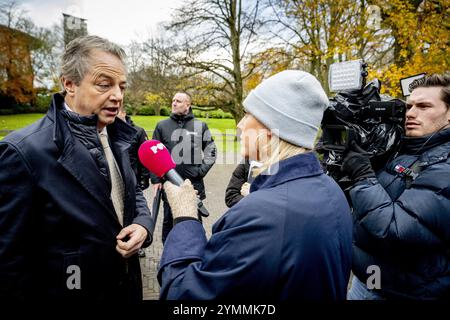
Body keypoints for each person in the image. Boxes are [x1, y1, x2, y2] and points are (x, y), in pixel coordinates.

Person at [157, 70, 353, 300]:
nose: (240, 124)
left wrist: (186, 219)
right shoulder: (332, 190)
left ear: (270, 132)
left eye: (248, 114)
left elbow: (183, 296)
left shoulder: (259, 215)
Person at [0, 35, 153, 301]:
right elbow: (9, 263)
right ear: (69, 84)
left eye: (122, 86)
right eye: (104, 84)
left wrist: (143, 225)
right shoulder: (22, 152)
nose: (117, 96)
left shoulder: (122, 138)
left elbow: (133, 194)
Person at [343, 73, 450, 300]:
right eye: (409, 106)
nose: (410, 113)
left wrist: (362, 175)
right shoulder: (403, 148)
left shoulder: (445, 166)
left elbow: (395, 230)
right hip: (369, 280)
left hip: (405, 293)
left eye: (423, 106)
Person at [150, 91, 216, 243]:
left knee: (193, 222)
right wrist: (155, 180)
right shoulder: (162, 126)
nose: (174, 103)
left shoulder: (200, 125)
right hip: (169, 184)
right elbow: (153, 153)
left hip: (193, 184)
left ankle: (197, 255)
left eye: (178, 101)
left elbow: (211, 150)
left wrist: (200, 171)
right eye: (173, 100)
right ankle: (168, 258)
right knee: (169, 223)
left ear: (188, 105)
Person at [117, 107, 150, 258]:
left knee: (132, 212)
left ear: (123, 113)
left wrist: (144, 179)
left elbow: (145, 159)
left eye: (118, 112)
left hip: (134, 180)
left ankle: (136, 243)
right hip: (118, 180)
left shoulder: (137, 131)